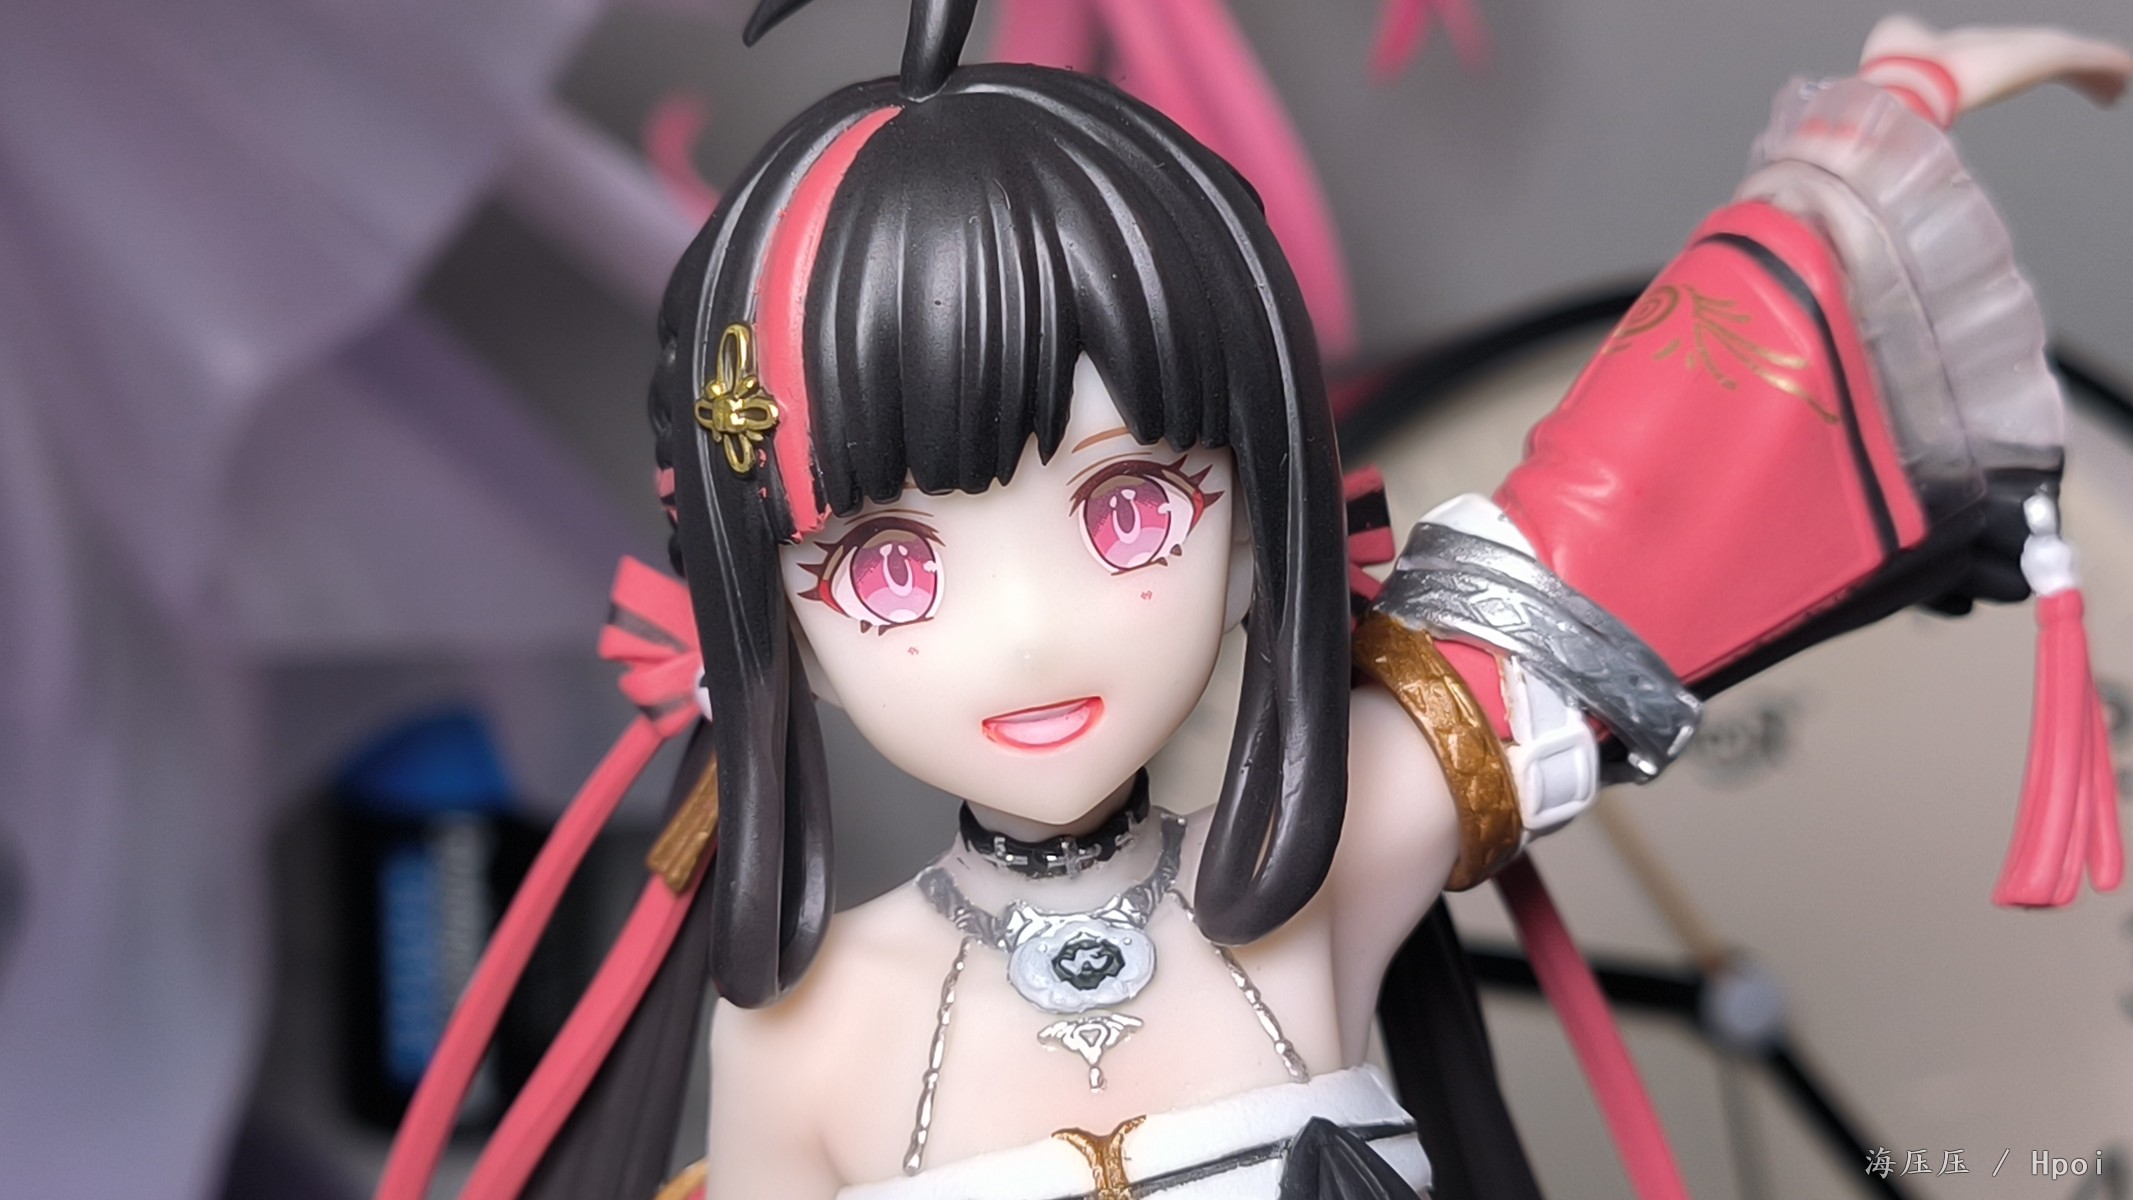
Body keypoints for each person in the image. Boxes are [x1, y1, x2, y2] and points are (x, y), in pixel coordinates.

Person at [375, 4, 2130, 1198]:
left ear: (1254, 521)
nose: (1030, 629)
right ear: (770, 626)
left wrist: (1872, 133)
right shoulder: (807, 1027)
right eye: (892, 564)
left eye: (1128, 508)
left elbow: (1614, 533)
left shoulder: (1309, 878)